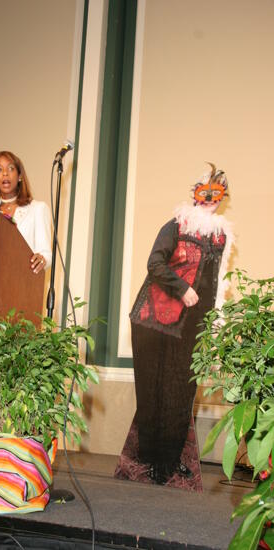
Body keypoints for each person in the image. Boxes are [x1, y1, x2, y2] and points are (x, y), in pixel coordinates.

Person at [129, 163, 233, 485]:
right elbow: (154, 264)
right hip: (155, 321)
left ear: (223, 197)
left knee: (181, 392)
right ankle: (153, 460)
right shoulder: (175, 225)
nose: (211, 198)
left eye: (217, 192)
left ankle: (171, 460)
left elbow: (217, 281)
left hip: (191, 325)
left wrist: (215, 321)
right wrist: (182, 288)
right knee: (155, 392)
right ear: (194, 193)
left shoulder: (221, 235)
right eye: (205, 191)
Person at [0, 151, 52, 274]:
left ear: (19, 176)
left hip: (22, 282)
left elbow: (46, 254)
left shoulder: (37, 209)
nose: (5, 173)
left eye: (10, 168)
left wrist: (42, 259)